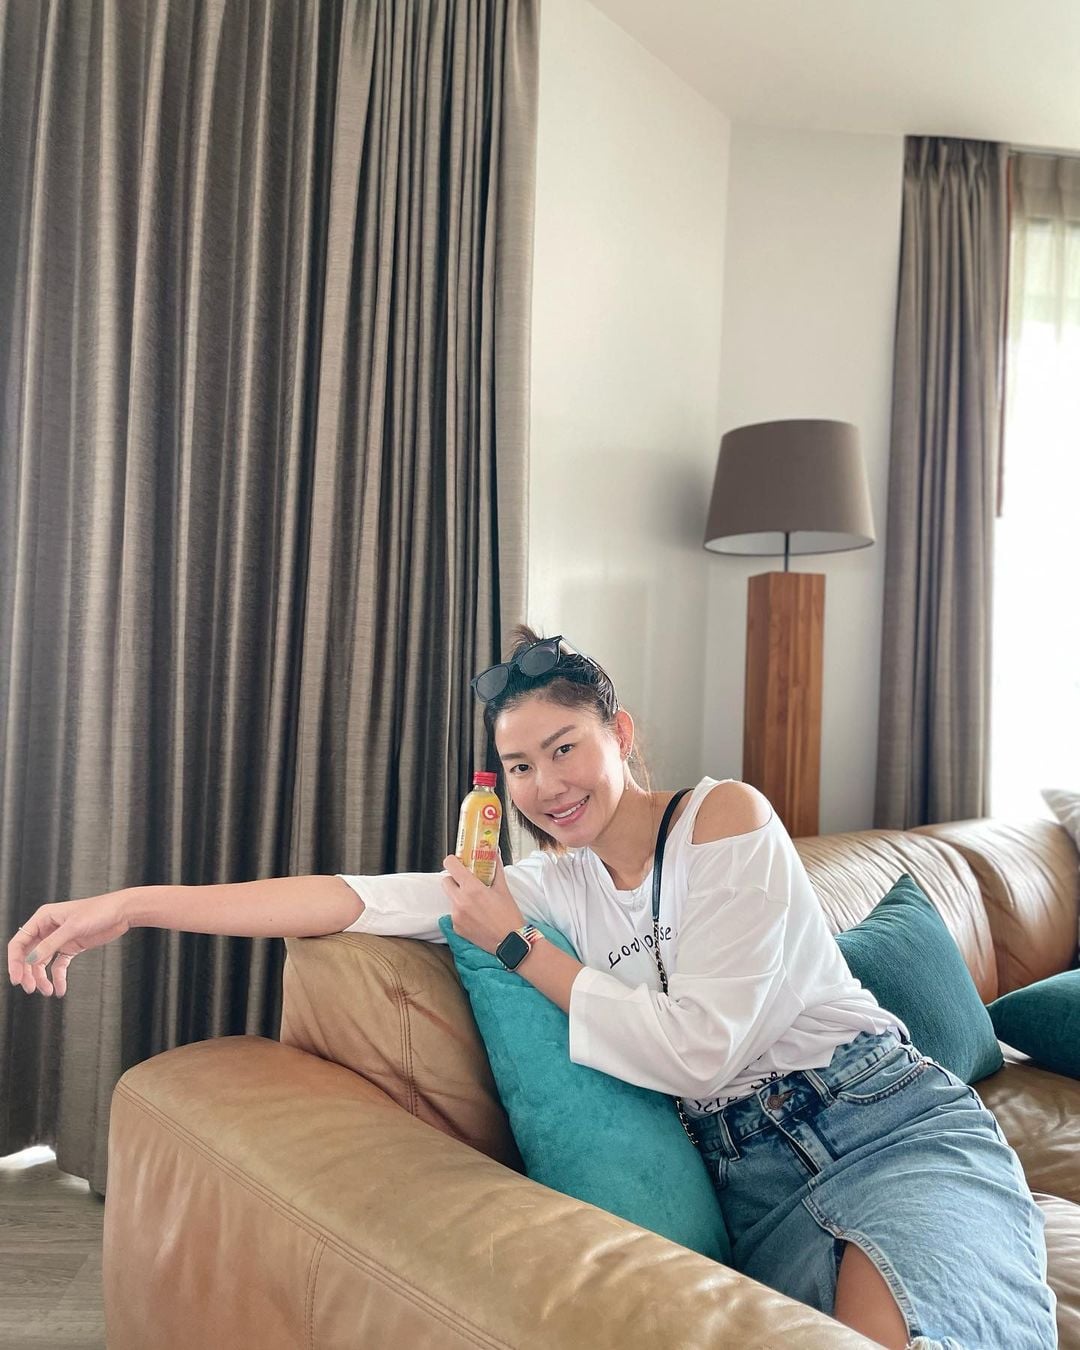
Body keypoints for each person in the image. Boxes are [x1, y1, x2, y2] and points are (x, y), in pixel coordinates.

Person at [7, 630, 1056, 1350]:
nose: (547, 786)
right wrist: (131, 905)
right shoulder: (552, 884)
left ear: (620, 735)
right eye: (518, 766)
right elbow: (350, 898)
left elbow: (701, 1050)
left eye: (565, 748)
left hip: (882, 1127)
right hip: (751, 1184)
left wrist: (518, 949)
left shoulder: (725, 819)